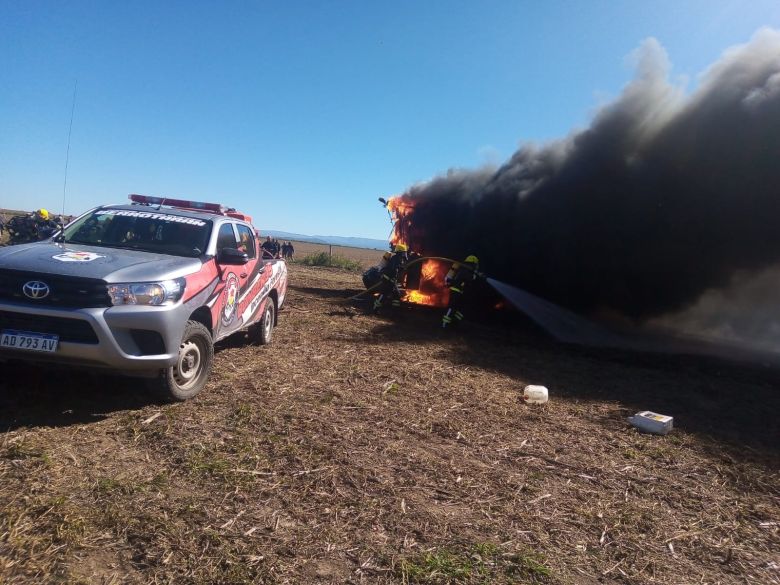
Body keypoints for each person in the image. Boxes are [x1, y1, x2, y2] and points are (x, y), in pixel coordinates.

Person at [441, 255, 484, 328]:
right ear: (473, 263)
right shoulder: (465, 271)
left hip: (460, 291)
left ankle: (454, 323)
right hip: (456, 291)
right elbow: (470, 279)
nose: (476, 266)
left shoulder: (466, 270)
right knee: (452, 307)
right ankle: (444, 324)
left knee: (459, 308)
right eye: (476, 264)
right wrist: (477, 274)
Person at [372, 243, 409, 313]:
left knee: (396, 295)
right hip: (388, 280)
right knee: (384, 294)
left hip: (390, 280)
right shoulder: (397, 259)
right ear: (401, 252)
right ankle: (375, 309)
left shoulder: (396, 258)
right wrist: (400, 269)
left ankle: (394, 311)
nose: (405, 254)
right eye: (404, 252)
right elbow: (394, 269)